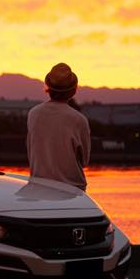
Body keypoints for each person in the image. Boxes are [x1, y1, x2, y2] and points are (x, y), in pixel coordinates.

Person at [27, 62, 90, 190]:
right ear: (73, 90)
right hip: (72, 188)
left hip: (38, 186)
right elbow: (84, 161)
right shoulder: (79, 120)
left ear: (48, 88)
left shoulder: (33, 114)